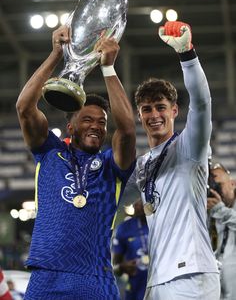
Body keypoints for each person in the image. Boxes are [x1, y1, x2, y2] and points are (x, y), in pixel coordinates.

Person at [16, 25, 136, 300]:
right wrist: (56, 54)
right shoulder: (49, 152)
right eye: (88, 120)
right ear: (71, 126)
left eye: (102, 123)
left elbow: (128, 129)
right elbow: (24, 108)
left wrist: (108, 69)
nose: (96, 126)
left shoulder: (111, 164)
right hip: (46, 275)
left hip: (95, 277)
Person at [126, 21, 220, 300]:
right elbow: (114, 199)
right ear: (139, 116)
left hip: (191, 276)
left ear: (174, 110)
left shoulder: (189, 145)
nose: (154, 114)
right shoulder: (142, 165)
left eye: (160, 107)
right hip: (157, 280)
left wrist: (187, 56)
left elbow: (202, 104)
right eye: (146, 109)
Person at [207, 163, 236, 300]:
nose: (216, 192)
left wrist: (221, 211)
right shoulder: (208, 208)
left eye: (219, 186)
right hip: (213, 275)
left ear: (232, 183)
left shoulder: (218, 208)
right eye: (213, 188)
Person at [112, 199, 148, 300]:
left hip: (161, 282)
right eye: (135, 202)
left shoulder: (161, 223)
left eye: (141, 199)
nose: (137, 204)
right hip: (136, 287)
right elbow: (115, 266)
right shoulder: (124, 228)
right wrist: (123, 267)